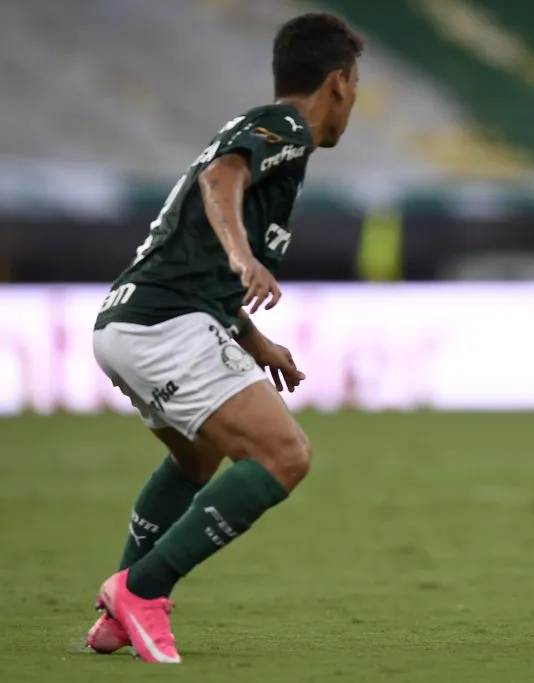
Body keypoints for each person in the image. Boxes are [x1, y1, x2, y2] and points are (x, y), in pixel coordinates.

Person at [84, 13, 363, 663]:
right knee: (284, 455)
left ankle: (119, 613)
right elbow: (220, 178)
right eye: (356, 86)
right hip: (166, 323)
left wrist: (252, 337)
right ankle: (142, 590)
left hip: (129, 320)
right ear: (338, 83)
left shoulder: (269, 137)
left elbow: (197, 242)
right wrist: (243, 258)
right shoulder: (285, 127)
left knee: (196, 457)